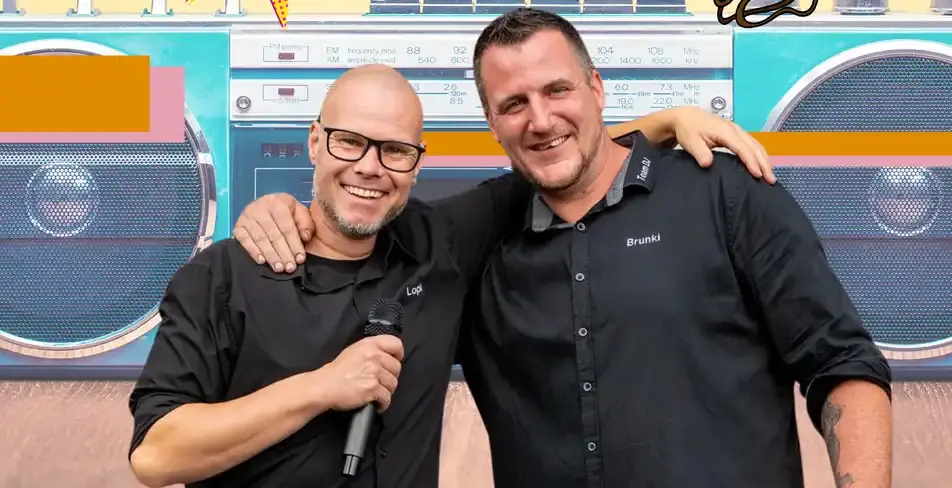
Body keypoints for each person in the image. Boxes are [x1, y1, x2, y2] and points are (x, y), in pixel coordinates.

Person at [235, 9, 893, 488]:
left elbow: (841, 363)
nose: (541, 119)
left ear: (597, 88)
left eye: (557, 90)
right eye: (513, 104)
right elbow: (358, 221)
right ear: (491, 124)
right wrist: (280, 209)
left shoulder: (723, 194)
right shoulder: (473, 242)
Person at [126, 62, 769, 488]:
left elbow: (561, 158)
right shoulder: (223, 277)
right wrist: (321, 388)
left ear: (417, 163)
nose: (370, 167)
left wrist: (667, 121)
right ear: (315, 141)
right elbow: (157, 454)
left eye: (395, 151)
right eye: (350, 142)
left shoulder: (442, 244)